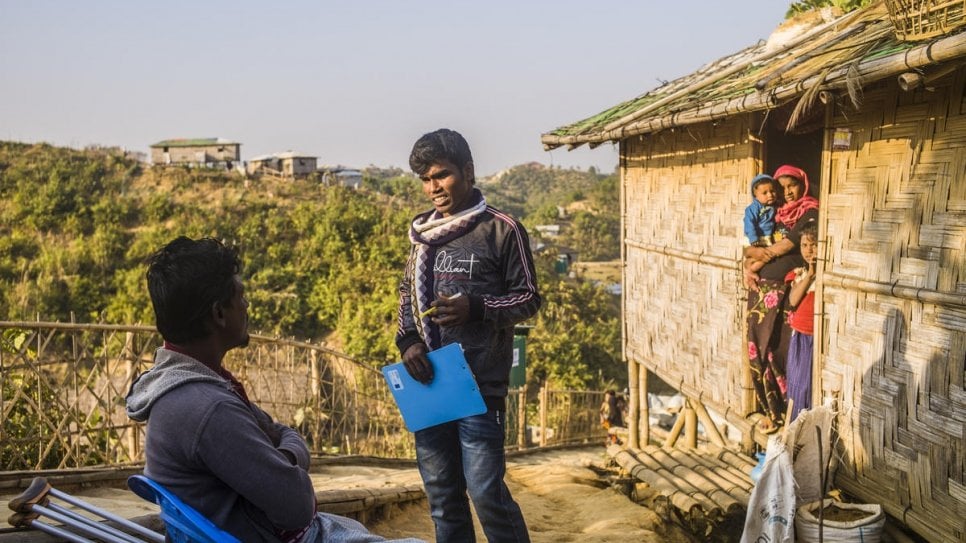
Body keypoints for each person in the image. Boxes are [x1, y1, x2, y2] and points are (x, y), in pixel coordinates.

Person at [126, 236, 422, 543]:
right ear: (219, 314)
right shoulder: (208, 408)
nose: (247, 305)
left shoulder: (185, 385)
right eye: (241, 296)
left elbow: (274, 430)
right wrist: (292, 457)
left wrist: (281, 456)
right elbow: (297, 506)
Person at [396, 128, 541, 543]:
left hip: (480, 387)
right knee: (443, 498)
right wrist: (409, 342)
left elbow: (529, 298)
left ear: (468, 171)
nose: (433, 188)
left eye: (441, 175)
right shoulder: (421, 237)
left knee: (486, 493)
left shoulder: (503, 229)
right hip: (429, 386)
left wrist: (475, 308)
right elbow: (407, 295)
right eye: (425, 179)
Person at [742, 164, 819, 434]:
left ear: (803, 184)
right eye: (782, 187)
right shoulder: (776, 214)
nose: (787, 192)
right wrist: (747, 263)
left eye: (792, 186)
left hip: (784, 297)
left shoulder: (810, 213)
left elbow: (787, 245)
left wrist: (757, 260)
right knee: (759, 347)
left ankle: (782, 410)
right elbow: (753, 246)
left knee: (777, 349)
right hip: (763, 295)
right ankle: (769, 409)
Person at [784, 224, 818, 421]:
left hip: (816, 337)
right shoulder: (800, 275)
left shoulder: (828, 276)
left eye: (813, 245)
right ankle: (795, 423)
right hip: (800, 336)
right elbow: (793, 300)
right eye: (804, 245)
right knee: (797, 382)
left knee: (809, 384)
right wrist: (811, 274)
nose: (808, 250)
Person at [743, 174, 778, 247]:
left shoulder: (774, 206)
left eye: (772, 191)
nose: (770, 195)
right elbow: (749, 222)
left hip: (767, 237)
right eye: (764, 193)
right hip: (755, 239)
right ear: (755, 195)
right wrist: (753, 237)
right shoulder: (753, 208)